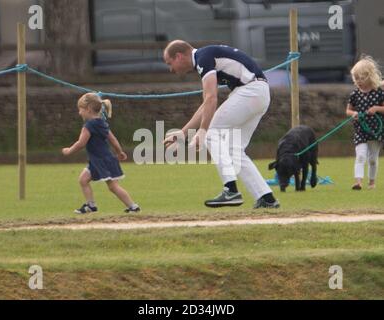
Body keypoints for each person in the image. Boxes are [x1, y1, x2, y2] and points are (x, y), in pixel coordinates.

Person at [162, 40, 279, 209]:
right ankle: (266, 198)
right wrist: (184, 132)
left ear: (179, 56)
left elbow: (211, 98)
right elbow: (206, 105)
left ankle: (230, 190)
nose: (170, 69)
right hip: (258, 93)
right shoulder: (205, 56)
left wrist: (202, 131)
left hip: (250, 91)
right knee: (233, 149)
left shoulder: (203, 58)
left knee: (210, 132)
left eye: (169, 63)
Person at [62, 92, 140, 213]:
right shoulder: (102, 123)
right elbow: (113, 139)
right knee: (83, 180)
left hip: (102, 161)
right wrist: (119, 152)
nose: (79, 112)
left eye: (80, 109)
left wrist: (69, 151)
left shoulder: (88, 126)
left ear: (88, 109)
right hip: (100, 160)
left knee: (113, 186)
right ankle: (91, 206)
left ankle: (133, 206)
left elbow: (81, 143)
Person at [346, 56, 384, 190]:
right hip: (360, 130)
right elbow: (348, 111)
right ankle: (358, 182)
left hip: (375, 130)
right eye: (356, 79)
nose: (358, 82)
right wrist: (354, 114)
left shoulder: (379, 92)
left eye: (361, 78)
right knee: (361, 156)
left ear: (369, 77)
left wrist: (377, 109)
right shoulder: (355, 94)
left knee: (372, 159)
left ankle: (372, 182)